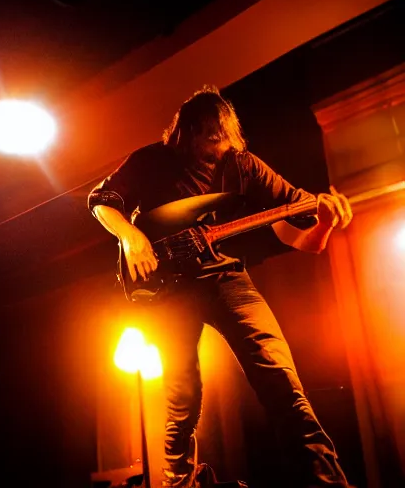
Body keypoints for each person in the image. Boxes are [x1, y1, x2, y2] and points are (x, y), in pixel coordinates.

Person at [87, 85, 353, 488]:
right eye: (204, 133)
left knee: (279, 377)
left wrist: (326, 221)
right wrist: (130, 236)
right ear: (184, 132)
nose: (213, 143)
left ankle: (325, 480)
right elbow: (101, 199)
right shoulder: (152, 161)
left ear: (230, 132)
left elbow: (298, 237)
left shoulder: (243, 166)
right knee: (183, 395)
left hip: (224, 276)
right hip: (167, 291)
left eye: (220, 134)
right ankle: (178, 478)